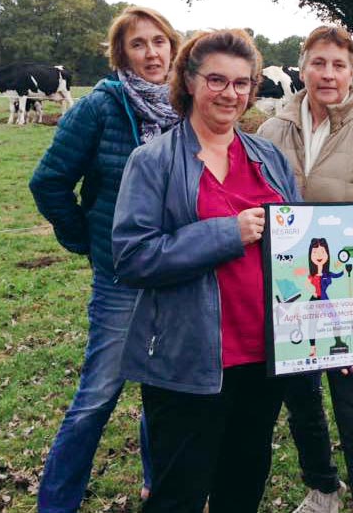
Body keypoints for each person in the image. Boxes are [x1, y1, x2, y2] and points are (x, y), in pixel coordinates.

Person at [112, 29, 301, 513]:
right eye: (217, 79)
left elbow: (300, 251)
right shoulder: (152, 161)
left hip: (262, 359)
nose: (230, 93)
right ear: (190, 82)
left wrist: (337, 329)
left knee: (243, 485)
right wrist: (224, 235)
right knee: (179, 493)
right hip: (187, 361)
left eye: (242, 83)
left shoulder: (269, 158)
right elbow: (132, 256)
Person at [29, 5, 181, 510]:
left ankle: (157, 482)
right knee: (98, 394)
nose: (151, 53)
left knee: (164, 391)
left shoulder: (187, 104)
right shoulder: (101, 106)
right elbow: (48, 181)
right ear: (122, 54)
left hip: (179, 270)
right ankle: (57, 501)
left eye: (158, 41)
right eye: (138, 44)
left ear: (173, 46)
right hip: (121, 274)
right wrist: (87, 240)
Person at [258, 25, 353, 513]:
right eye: (318, 63)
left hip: (348, 303)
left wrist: (345, 284)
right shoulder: (271, 130)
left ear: (351, 73)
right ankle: (323, 487)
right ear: (302, 66)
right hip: (290, 301)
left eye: (338, 65)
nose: (327, 74)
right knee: (301, 405)